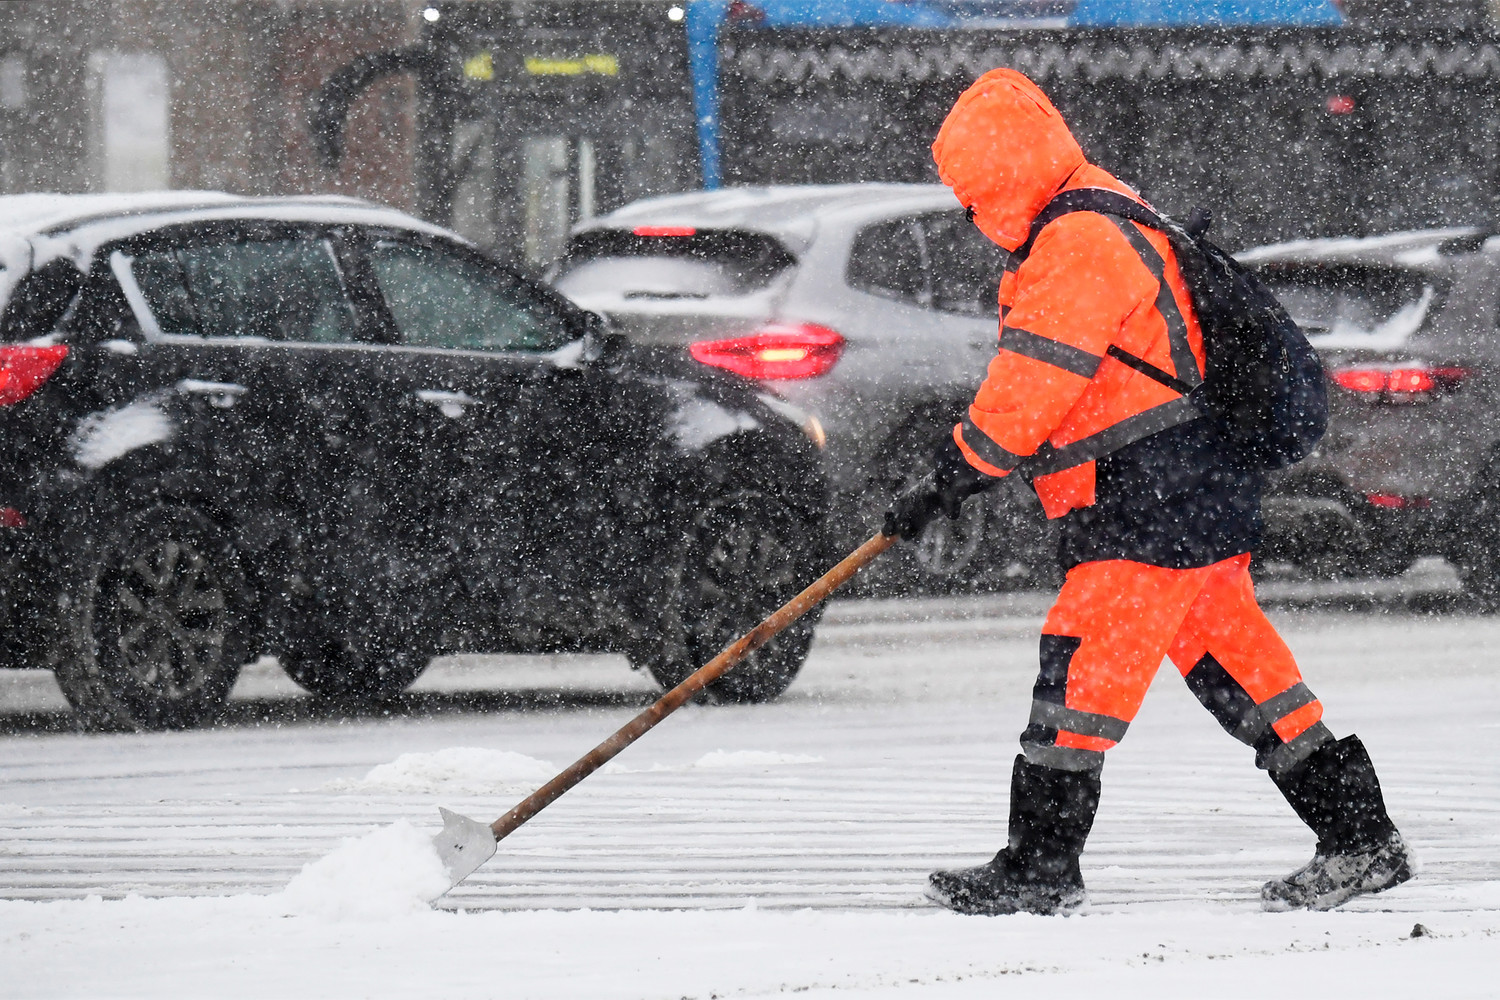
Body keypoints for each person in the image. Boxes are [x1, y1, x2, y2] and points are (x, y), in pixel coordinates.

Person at [884, 68, 1412, 916]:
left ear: (999, 177)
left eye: (970, 195)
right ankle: (1361, 839)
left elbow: (1033, 384)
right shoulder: (1101, 210)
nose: (970, 215)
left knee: (1079, 676)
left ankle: (1039, 868)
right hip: (1190, 490)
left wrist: (953, 474)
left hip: (1149, 502)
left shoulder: (1077, 241)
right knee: (1246, 673)